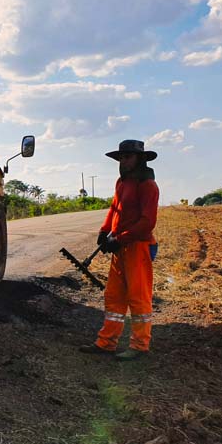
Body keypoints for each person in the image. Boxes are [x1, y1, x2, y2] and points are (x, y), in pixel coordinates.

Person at [79, 140, 159, 361]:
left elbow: (147, 222)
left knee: (138, 297)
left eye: (127, 157)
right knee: (114, 297)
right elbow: (114, 209)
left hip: (138, 247)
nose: (122, 161)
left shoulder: (147, 186)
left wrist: (120, 238)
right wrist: (104, 232)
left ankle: (140, 346)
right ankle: (106, 343)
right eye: (120, 158)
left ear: (139, 159)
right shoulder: (121, 183)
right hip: (121, 249)